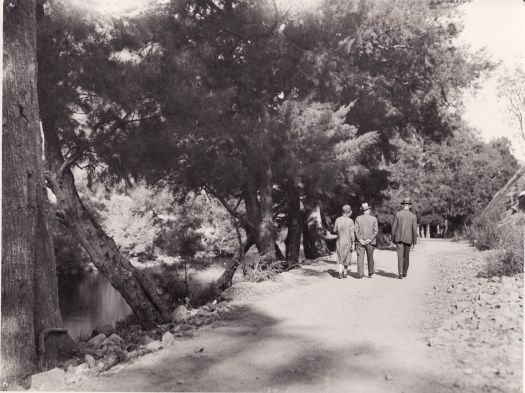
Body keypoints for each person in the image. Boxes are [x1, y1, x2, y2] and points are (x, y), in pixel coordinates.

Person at [391, 197, 418, 279]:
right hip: (409, 239)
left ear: (402, 205)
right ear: (409, 206)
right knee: (406, 256)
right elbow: (414, 229)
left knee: (400, 256)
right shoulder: (413, 216)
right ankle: (405, 272)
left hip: (399, 238)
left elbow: (394, 227)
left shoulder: (398, 214)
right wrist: (414, 241)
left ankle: (400, 272)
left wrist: (392, 238)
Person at [354, 202, 378, 278]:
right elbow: (375, 231)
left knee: (360, 257)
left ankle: (360, 274)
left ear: (362, 210)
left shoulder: (358, 218)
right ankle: (370, 272)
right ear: (368, 210)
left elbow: (356, 230)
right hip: (370, 242)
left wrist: (360, 239)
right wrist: (370, 239)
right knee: (370, 256)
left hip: (360, 241)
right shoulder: (374, 219)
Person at [332, 205, 355, 279]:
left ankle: (340, 273)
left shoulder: (338, 219)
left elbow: (334, 230)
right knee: (347, 256)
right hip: (347, 241)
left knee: (339, 256)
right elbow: (352, 233)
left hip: (339, 240)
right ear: (349, 212)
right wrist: (353, 242)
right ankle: (345, 272)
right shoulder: (350, 221)